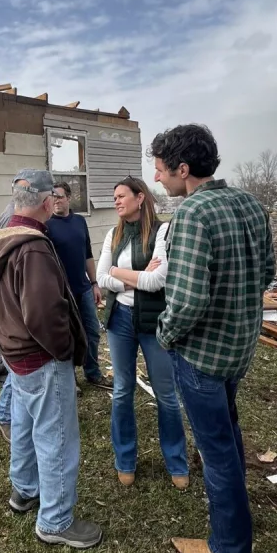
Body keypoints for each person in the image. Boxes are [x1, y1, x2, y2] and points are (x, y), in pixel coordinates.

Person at [151, 124, 275, 553]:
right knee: (228, 431)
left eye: (161, 170)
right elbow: (267, 272)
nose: (157, 178)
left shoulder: (192, 213)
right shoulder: (249, 203)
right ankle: (237, 517)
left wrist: (165, 335)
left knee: (215, 448)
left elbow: (186, 302)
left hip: (201, 356)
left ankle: (230, 550)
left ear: (183, 169)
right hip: (239, 348)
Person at [0, 170, 102, 549]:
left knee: (23, 422)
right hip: (40, 357)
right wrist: (64, 350)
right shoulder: (33, 248)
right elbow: (43, 315)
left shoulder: (7, 235)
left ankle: (24, 490)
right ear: (48, 202)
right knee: (56, 437)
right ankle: (55, 520)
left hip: (16, 354)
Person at [97, 177, 189, 489]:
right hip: (119, 320)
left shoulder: (162, 231)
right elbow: (101, 278)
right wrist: (130, 277)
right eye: (114, 197)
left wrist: (116, 273)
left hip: (153, 322)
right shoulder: (113, 235)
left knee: (166, 394)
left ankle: (176, 461)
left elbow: (157, 281)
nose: (116, 201)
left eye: (121, 196)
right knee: (122, 390)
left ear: (140, 198)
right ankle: (125, 459)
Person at [47, 182, 111, 389]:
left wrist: (94, 283)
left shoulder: (79, 221)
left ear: (68, 198)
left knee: (92, 332)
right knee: (67, 337)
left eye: (59, 196)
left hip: (83, 288)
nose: (56, 200)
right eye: (53, 196)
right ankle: (70, 381)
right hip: (62, 292)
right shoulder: (47, 225)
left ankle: (93, 373)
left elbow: (88, 254)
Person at [0, 172, 38, 443]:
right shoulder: (13, 217)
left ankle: (11, 416)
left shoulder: (12, 214)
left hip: (12, 298)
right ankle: (4, 416)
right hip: (14, 300)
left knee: (18, 368)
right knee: (18, 368)